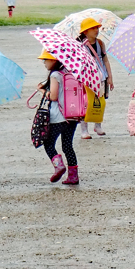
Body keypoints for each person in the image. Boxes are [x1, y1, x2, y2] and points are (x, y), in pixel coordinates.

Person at [39, 50, 79, 185]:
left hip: (58, 116)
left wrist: (43, 91)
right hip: (72, 115)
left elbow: (54, 96)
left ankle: (59, 166)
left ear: (54, 60)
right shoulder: (69, 72)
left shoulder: (55, 75)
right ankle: (73, 176)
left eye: (46, 59)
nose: (44, 62)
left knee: (48, 143)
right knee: (67, 145)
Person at [76, 17, 113, 138]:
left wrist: (110, 77)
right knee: (85, 102)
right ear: (85, 31)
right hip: (86, 77)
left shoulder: (100, 43)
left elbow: (105, 60)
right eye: (92, 28)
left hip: (101, 76)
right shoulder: (79, 44)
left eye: (97, 28)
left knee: (100, 102)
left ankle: (98, 125)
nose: (96, 30)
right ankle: (84, 129)